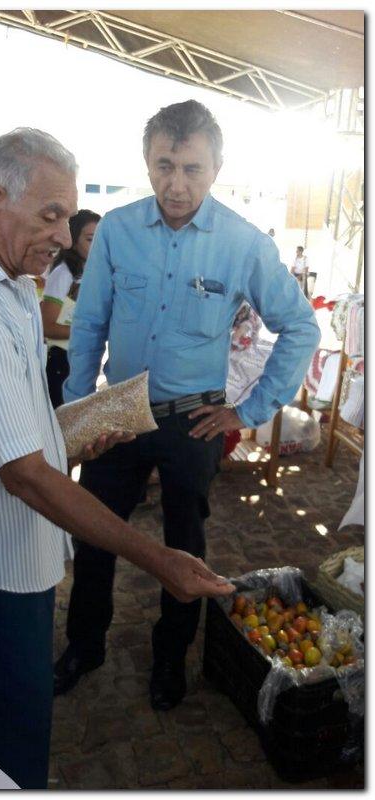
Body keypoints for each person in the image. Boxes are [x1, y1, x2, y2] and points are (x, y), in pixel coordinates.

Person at [0, 127, 235, 790]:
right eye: (52, 215)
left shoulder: (6, 281)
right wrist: (158, 560)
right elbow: (26, 477)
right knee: (12, 751)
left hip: (14, 555)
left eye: (68, 216)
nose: (65, 237)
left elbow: (13, 432)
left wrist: (75, 432)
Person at [57, 99, 321, 711]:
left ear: (217, 167)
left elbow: (300, 326)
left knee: (186, 547)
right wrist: (76, 417)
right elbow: (89, 322)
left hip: (195, 420)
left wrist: (249, 410)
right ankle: (84, 645)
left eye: (193, 169)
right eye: (164, 165)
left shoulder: (242, 243)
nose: (176, 184)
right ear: (147, 162)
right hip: (117, 414)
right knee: (93, 533)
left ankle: (170, 661)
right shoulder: (118, 230)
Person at [41, 209, 100, 408]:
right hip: (61, 362)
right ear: (73, 240)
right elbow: (46, 326)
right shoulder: (63, 273)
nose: (98, 245)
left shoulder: (91, 272)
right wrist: (86, 332)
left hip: (80, 359)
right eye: (91, 239)